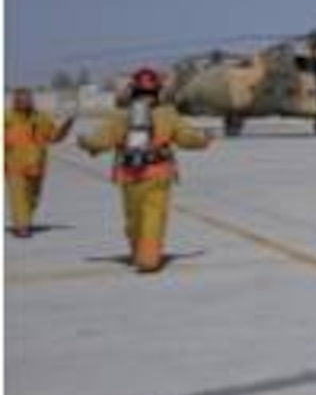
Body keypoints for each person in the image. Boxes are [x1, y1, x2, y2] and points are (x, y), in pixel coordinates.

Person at [77, 68, 209, 272]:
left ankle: (142, 253)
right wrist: (203, 139)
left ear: (133, 91)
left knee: (133, 218)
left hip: (129, 175)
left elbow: (102, 139)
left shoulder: (122, 115)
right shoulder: (168, 114)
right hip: (158, 173)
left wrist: (86, 142)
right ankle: (147, 257)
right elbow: (186, 138)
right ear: (158, 91)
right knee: (153, 216)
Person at [6, 88, 73, 237]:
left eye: (28, 99)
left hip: (37, 166)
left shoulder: (41, 118)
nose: (26, 102)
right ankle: (21, 227)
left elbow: (54, 137)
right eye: (22, 99)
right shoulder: (6, 118)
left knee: (32, 198)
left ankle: (25, 222)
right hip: (13, 166)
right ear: (15, 101)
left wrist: (65, 127)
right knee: (18, 197)